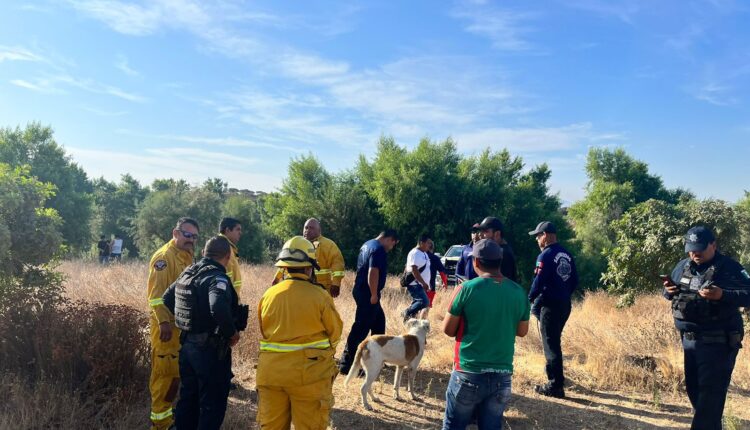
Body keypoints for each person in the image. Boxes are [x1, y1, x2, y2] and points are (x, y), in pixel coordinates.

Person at [663, 226, 750, 430]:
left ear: (713, 245)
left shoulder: (730, 268)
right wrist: (668, 291)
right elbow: (668, 292)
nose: (695, 253)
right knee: (696, 395)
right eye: (691, 249)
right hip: (689, 342)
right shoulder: (683, 265)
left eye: (700, 248)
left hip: (718, 343)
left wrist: (723, 295)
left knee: (709, 399)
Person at [256, 236, 343, 429]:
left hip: (270, 374)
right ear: (309, 267)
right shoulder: (320, 296)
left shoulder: (268, 294)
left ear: (284, 268)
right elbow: (335, 333)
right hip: (309, 377)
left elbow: (264, 331)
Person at [442, 239, 530, 430]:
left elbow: (448, 330)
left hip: (468, 372)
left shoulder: (466, 289)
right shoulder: (519, 292)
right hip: (502, 376)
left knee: (453, 426)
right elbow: (522, 332)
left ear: (475, 262)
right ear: (500, 261)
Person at [162, 236, 246, 429]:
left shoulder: (189, 272)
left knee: (188, 401)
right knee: (212, 405)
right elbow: (217, 307)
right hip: (210, 351)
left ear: (203, 253)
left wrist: (191, 320)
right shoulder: (217, 277)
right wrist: (232, 333)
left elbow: (167, 298)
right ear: (228, 255)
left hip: (187, 348)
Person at [146, 217, 199, 430]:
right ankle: (160, 425)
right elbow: (155, 296)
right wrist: (164, 323)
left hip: (181, 328)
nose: (191, 240)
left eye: (194, 237)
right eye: (187, 235)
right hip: (166, 329)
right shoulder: (163, 258)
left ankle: (168, 421)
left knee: (176, 376)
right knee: (164, 378)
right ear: (175, 233)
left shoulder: (186, 255)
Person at [527, 221, 578, 398]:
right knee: (554, 341)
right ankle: (555, 378)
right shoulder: (567, 254)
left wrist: (530, 298)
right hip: (565, 304)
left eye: (538, 235)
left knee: (551, 345)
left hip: (550, 305)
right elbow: (574, 281)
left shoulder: (545, 255)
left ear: (546, 235)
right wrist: (563, 294)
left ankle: (555, 385)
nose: (537, 239)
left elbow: (538, 282)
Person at [338, 229, 399, 376]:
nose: (392, 247)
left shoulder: (367, 244)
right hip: (367, 293)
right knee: (361, 328)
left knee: (379, 324)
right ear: (389, 239)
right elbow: (373, 272)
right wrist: (373, 294)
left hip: (362, 290)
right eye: (393, 244)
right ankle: (347, 365)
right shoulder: (378, 250)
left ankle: (374, 360)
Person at [272, 218, 346, 298]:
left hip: (321, 288)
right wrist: (277, 277)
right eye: (306, 228)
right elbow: (288, 262)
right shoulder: (297, 243)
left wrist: (336, 283)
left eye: (311, 228)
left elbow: (338, 264)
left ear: (319, 230)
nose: (307, 230)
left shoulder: (328, 245)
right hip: (299, 287)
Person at [478, 217, 518, 282]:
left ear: (497, 234)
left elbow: (503, 283)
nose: (480, 234)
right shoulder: (500, 250)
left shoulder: (503, 253)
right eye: (481, 231)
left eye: (485, 231)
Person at [401, 235, 431, 322]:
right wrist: (423, 283)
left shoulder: (424, 253)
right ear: (421, 243)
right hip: (415, 284)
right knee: (424, 302)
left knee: (418, 305)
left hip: (420, 284)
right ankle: (406, 312)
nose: (429, 245)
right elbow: (414, 270)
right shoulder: (415, 253)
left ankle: (408, 321)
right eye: (427, 243)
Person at [420, 239, 448, 318]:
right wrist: (445, 284)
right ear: (432, 248)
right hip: (430, 287)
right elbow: (442, 272)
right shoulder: (435, 258)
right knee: (426, 306)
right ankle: (421, 324)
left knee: (418, 305)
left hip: (417, 286)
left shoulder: (418, 256)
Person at [218, 217, 243, 297]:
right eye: (237, 229)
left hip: (230, 298)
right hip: (226, 298)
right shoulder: (221, 247)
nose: (240, 233)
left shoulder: (228, 247)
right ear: (228, 230)